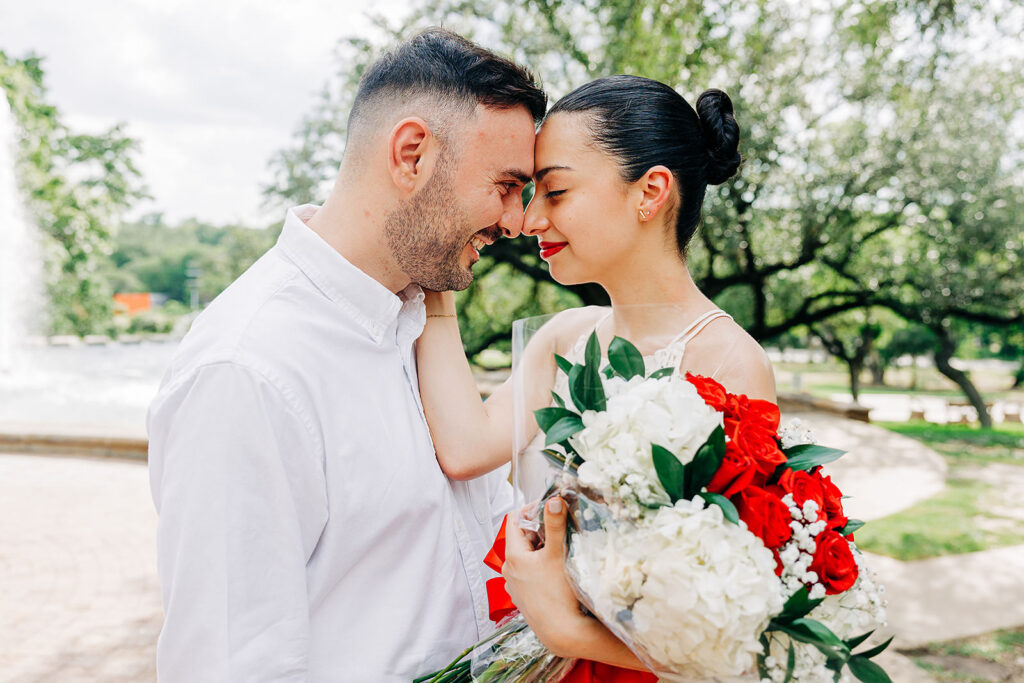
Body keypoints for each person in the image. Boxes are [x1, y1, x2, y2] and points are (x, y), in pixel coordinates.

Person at [146, 29, 546, 681]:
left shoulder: (419, 317)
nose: (517, 220)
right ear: (412, 153)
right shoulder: (247, 371)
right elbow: (230, 665)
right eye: (506, 185)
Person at [416, 75, 777, 678]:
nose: (529, 220)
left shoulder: (730, 364)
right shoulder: (564, 337)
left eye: (554, 192)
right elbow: (462, 448)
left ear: (650, 191)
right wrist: (438, 274)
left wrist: (563, 627)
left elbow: (737, 637)